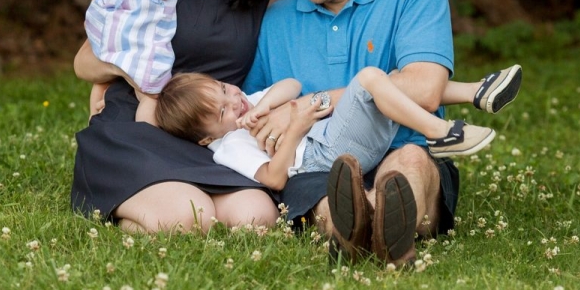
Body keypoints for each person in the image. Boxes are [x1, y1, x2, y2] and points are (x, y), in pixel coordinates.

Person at [241, 0, 523, 266]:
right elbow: (254, 112)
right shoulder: (277, 21)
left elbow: (425, 88)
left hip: (406, 148)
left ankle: (368, 226)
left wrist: (309, 104)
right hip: (321, 167)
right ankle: (369, 228)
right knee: (327, 195)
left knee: (406, 164)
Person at [71, 0, 287, 234]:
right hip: (140, 124)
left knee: (257, 217)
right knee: (188, 218)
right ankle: (128, 203)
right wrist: (135, 76)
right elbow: (84, 62)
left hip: (213, 134)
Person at [156, 64, 518, 189]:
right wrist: (295, 129)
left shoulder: (251, 106)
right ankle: (440, 134)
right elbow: (273, 179)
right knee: (371, 79)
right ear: (207, 137)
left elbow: (292, 86)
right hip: (324, 156)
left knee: (389, 81)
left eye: (224, 88)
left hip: (333, 139)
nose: (234, 101)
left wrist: (264, 105)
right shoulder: (230, 145)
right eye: (222, 111)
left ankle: (478, 93)